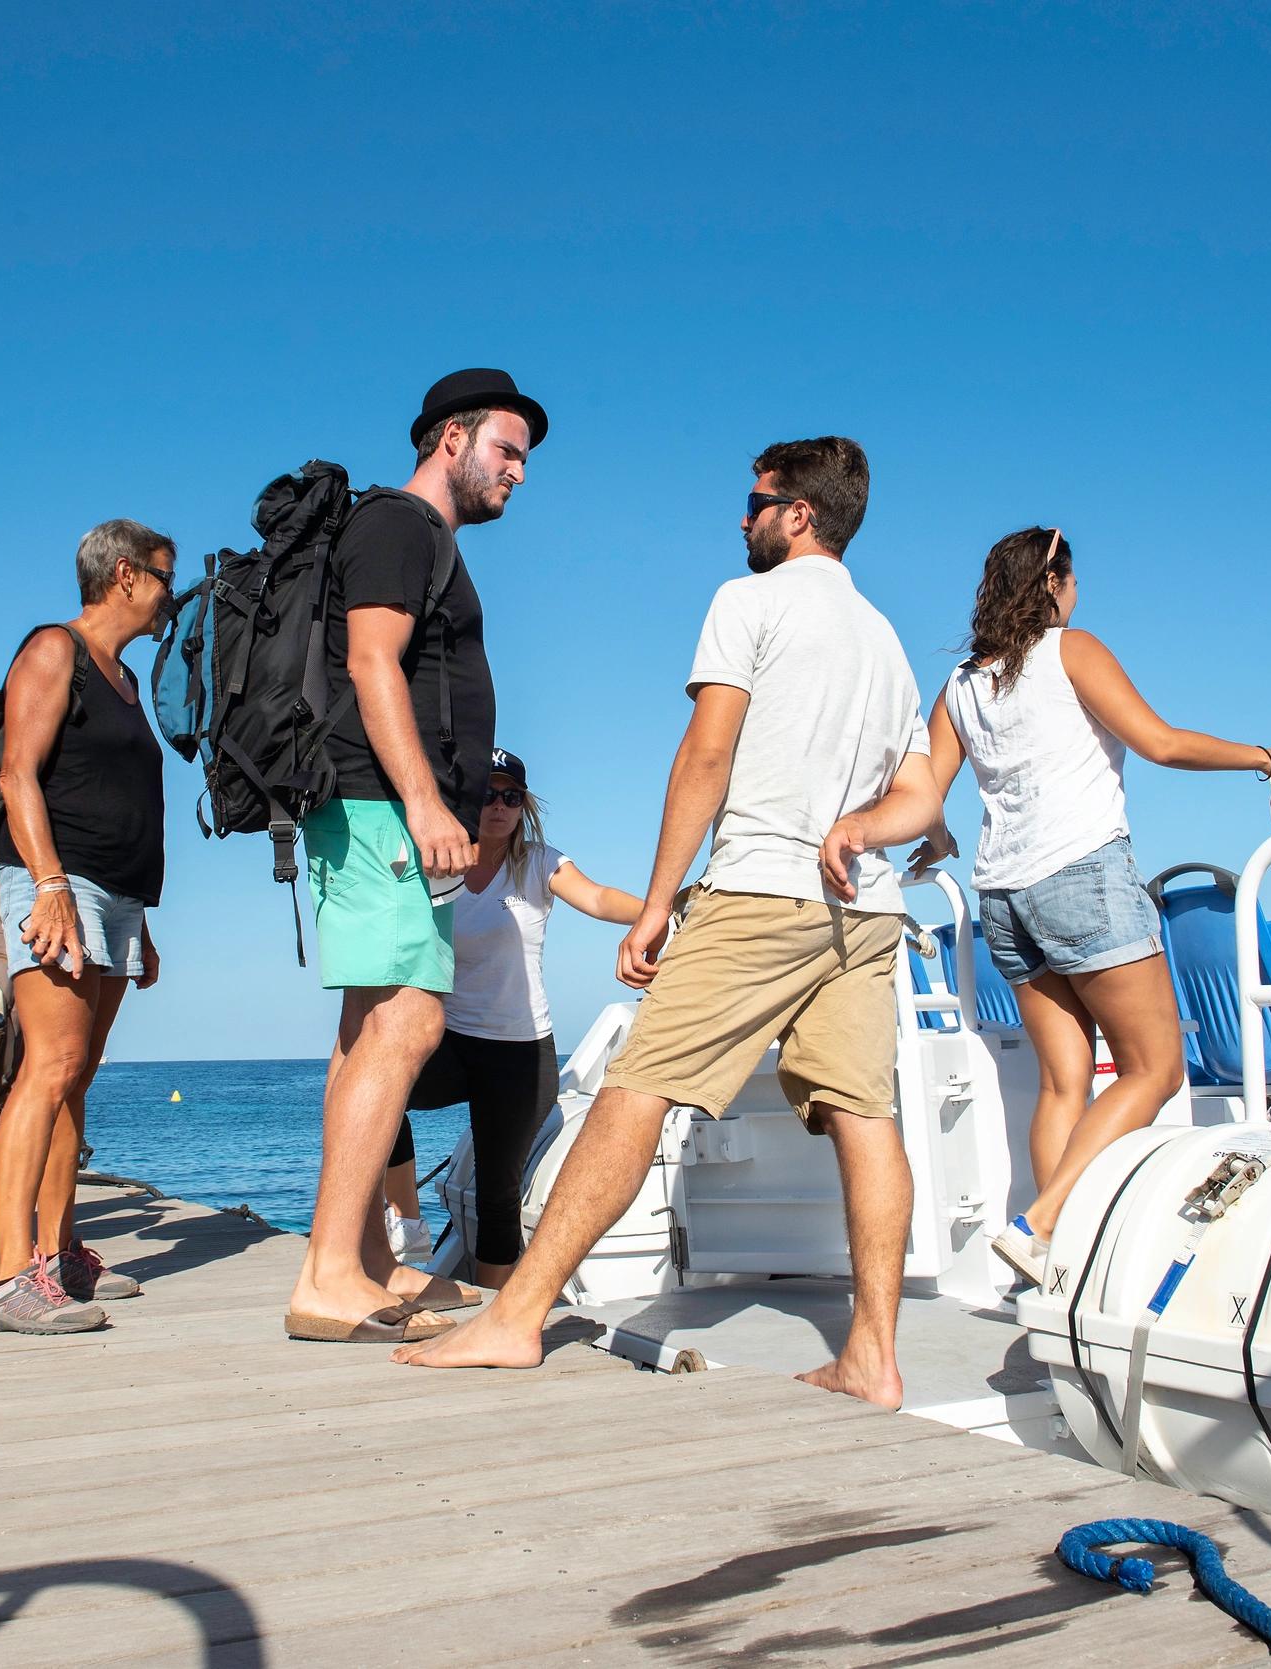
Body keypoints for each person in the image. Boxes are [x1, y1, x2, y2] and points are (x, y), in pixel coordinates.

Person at [399, 436, 932, 1409]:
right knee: (865, 1114)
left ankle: (515, 1320)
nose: (742, 516)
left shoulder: (750, 603)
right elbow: (922, 796)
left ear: (799, 512)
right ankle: (875, 1357)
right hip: (865, 911)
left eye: (756, 499)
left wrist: (655, 905)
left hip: (762, 890)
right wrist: (861, 827)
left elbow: (705, 755)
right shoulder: (884, 641)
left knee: (633, 1091)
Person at [854, 525, 1271, 1286]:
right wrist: (1270, 758)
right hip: (1082, 877)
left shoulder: (963, 686)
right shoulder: (1071, 649)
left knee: (1064, 1082)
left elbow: (925, 794)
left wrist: (937, 842)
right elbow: (1162, 743)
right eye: (1072, 581)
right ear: (1053, 585)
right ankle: (1042, 1222)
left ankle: (1052, 1256)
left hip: (1002, 893)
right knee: (1155, 1067)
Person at [284, 368, 546, 1345]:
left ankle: (354, 1257)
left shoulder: (418, 534)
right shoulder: (400, 523)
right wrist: (430, 800)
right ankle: (324, 1276)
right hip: (379, 809)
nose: (517, 473)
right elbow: (370, 660)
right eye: (506, 450)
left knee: (371, 1027)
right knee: (406, 1023)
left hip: (381, 810)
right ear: (451, 439)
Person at [0, 520, 173, 1336]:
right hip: (58, 880)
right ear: (124, 575)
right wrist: (49, 885)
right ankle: (3, 1277)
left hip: (117, 895)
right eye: (162, 576)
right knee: (47, 1065)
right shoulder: (56, 649)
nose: (169, 593)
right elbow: (16, 771)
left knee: (75, 1073)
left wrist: (141, 923)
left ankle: (54, 1254)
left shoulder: (123, 677)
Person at [382, 748, 643, 1288]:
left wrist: (656, 909)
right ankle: (407, 1221)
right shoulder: (436, 861)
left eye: (510, 796)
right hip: (450, 1040)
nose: (498, 806)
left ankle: (495, 1308)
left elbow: (596, 898)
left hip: (520, 1052)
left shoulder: (540, 862)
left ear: (523, 806)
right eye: (486, 793)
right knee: (379, 1095)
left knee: (498, 1192)